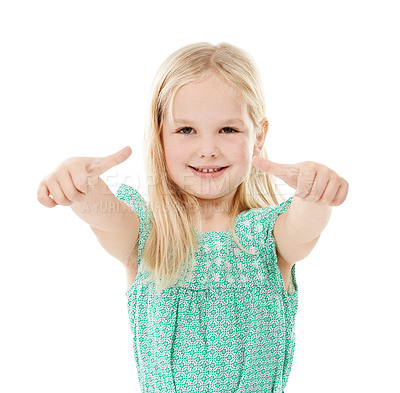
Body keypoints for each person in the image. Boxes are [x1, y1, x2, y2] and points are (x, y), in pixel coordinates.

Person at [37, 42, 349, 393]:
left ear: (258, 136)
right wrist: (80, 185)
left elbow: (303, 228)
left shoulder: (267, 237)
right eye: (186, 130)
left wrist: (314, 195)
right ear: (160, 135)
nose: (208, 148)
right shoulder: (147, 234)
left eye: (228, 130)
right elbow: (104, 216)